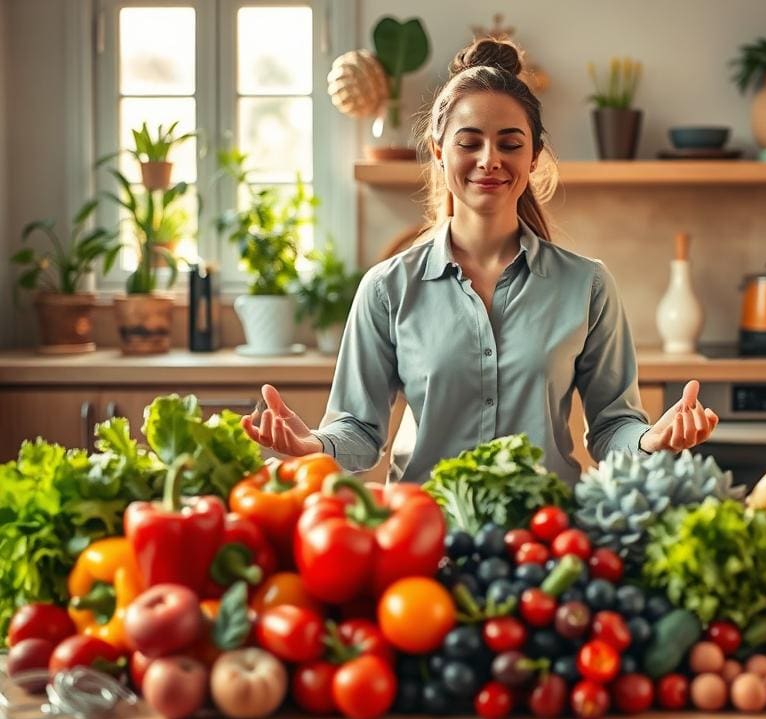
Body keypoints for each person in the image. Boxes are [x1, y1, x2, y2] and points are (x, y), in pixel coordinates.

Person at [241, 38, 718, 485]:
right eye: (469, 142)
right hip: (425, 533)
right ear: (438, 152)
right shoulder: (387, 288)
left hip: (543, 537)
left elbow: (614, 428)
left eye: (510, 144)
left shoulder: (586, 285)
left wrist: (650, 440)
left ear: (533, 157)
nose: (489, 159)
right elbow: (359, 432)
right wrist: (313, 445)